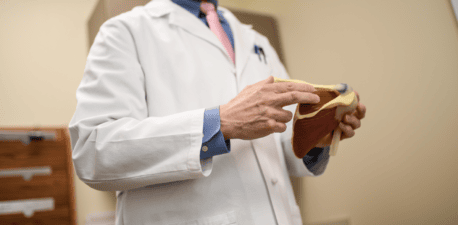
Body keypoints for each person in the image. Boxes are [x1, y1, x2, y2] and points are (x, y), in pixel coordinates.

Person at [68, 0, 366, 224]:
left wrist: (315, 137)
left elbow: (281, 153)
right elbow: (94, 151)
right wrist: (221, 123)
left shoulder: (257, 41)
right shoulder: (126, 31)